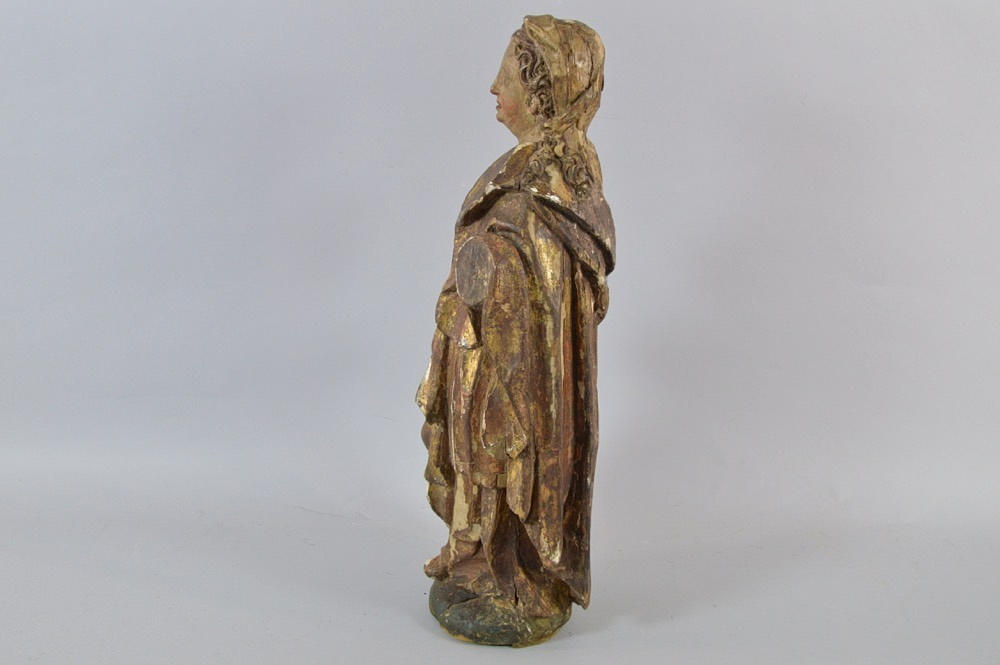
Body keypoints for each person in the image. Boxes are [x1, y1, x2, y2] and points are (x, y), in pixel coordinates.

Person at [416, 14, 615, 646]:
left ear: (540, 93)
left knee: (509, 454)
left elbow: (548, 296)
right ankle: (482, 555)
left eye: (506, 76)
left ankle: (519, 576)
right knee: (485, 460)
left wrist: (492, 268)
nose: (492, 87)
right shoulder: (530, 173)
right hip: (486, 354)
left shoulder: (546, 187)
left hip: (519, 375)